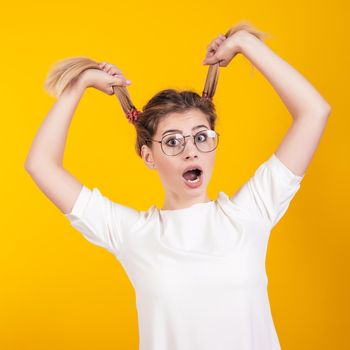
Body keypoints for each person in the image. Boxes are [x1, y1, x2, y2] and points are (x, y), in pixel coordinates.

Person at [24, 21, 331, 350]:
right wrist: (80, 83)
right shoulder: (133, 234)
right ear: (149, 156)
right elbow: (40, 164)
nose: (191, 150)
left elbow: (314, 112)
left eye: (201, 137)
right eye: (172, 141)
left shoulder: (252, 212)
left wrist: (244, 44)